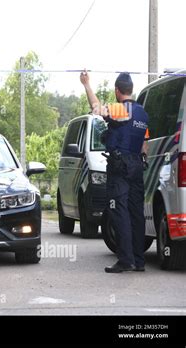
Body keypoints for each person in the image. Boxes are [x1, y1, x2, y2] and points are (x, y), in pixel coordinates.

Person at [80, 71, 149, 273]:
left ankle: (125, 260)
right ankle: (139, 261)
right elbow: (145, 145)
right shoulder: (142, 113)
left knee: (119, 212)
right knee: (136, 213)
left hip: (120, 168)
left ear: (117, 91)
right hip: (137, 165)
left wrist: (86, 85)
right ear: (131, 89)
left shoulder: (122, 109)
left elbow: (96, 109)